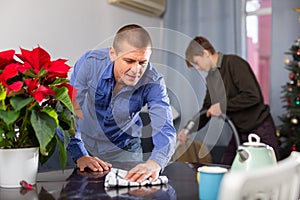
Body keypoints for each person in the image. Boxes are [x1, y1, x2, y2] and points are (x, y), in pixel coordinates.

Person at [67, 24, 176, 183]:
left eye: (142, 62)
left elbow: (165, 125)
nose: (136, 70)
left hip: (125, 149)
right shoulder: (90, 64)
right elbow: (69, 111)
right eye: (129, 61)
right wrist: (80, 154)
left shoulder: (153, 82)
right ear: (113, 54)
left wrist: (156, 162)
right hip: (85, 143)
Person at [177, 36, 280, 165]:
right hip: (240, 131)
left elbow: (253, 96)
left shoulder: (234, 63)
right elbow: (206, 110)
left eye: (197, 62)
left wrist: (222, 106)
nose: (197, 68)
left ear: (206, 53)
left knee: (269, 169)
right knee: (227, 166)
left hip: (259, 127)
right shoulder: (211, 78)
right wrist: (188, 129)